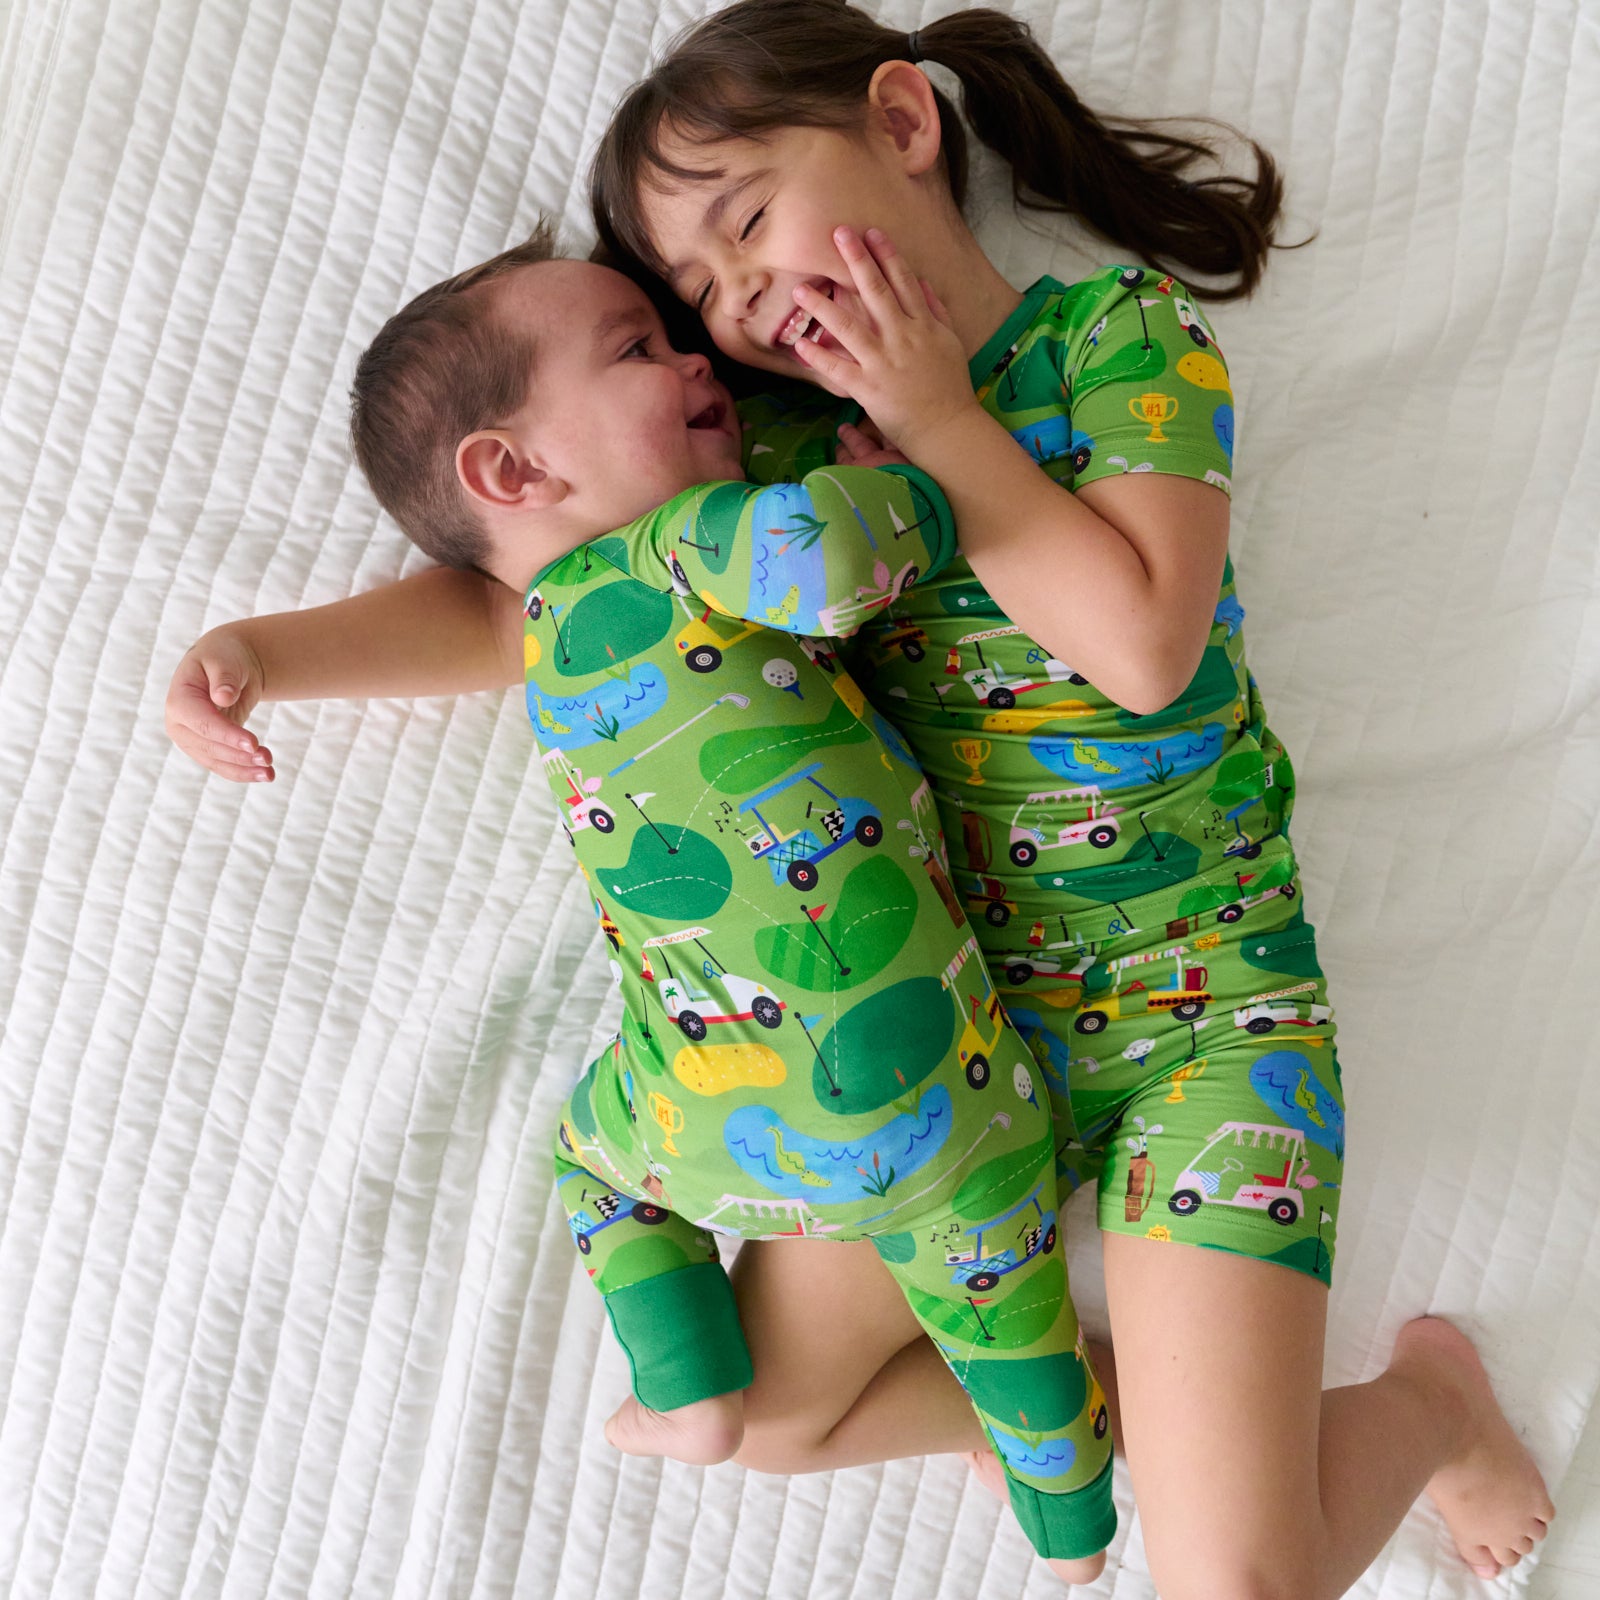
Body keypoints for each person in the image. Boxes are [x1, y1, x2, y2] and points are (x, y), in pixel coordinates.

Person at [166, 4, 1555, 1593]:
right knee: (756, 1419)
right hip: (943, 1072)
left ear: (903, 125)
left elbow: (1147, 645)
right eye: (690, 297)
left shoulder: (1115, 339)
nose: (734, 303)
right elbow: (535, 606)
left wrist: (940, 423)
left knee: (1244, 1584)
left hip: (1202, 1017)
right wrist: (261, 656)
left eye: (746, 222)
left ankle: (1433, 1404)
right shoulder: (751, 457)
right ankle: (1071, 1401)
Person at [171, 223, 1120, 1581]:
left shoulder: (554, 624)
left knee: (592, 1162)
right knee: (1008, 1319)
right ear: (512, 469)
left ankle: (692, 1386)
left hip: (705, 1107)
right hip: (950, 1088)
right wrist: (903, 482)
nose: (692, 359)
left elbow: (471, 619)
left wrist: (250, 656)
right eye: (638, 347)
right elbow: (831, 557)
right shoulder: (688, 545)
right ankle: (1070, 1522)